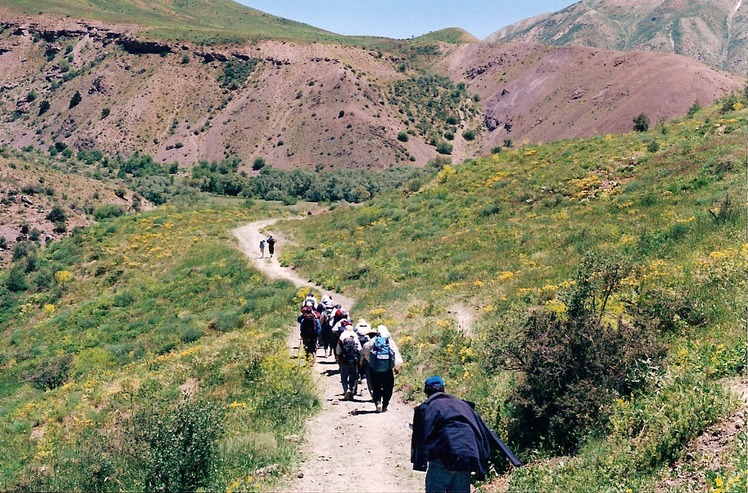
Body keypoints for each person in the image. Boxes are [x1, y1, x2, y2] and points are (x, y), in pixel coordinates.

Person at [410, 376, 521, 493]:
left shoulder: (427, 406)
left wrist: (420, 462)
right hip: (467, 455)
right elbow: (485, 431)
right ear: (443, 389)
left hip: (442, 456)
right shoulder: (463, 405)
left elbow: (421, 435)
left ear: (426, 391)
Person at [362, 325, 402, 413]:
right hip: (387, 370)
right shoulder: (390, 342)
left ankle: (378, 403)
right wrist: (396, 367)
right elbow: (396, 355)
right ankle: (385, 404)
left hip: (374, 369)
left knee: (376, 387)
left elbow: (365, 351)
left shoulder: (372, 341)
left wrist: (371, 362)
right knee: (388, 387)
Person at [335, 320, 361, 400]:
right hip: (354, 360)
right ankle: (352, 391)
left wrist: (338, 357)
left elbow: (338, 350)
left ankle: (346, 390)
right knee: (353, 377)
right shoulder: (355, 336)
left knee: (344, 377)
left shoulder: (342, 336)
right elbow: (359, 349)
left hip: (344, 360)